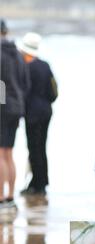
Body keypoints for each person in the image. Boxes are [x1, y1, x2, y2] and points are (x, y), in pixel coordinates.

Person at [20, 32, 58, 195]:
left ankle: (38, 186)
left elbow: (23, 91)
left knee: (33, 148)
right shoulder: (45, 65)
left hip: (32, 114)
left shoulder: (25, 68)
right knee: (42, 147)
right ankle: (41, 182)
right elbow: (54, 92)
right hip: (47, 111)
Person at [0, 19, 30, 210]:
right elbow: (25, 84)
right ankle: (10, 196)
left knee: (1, 153)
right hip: (17, 108)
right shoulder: (18, 54)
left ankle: (1, 198)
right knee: (9, 153)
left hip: (2, 108)